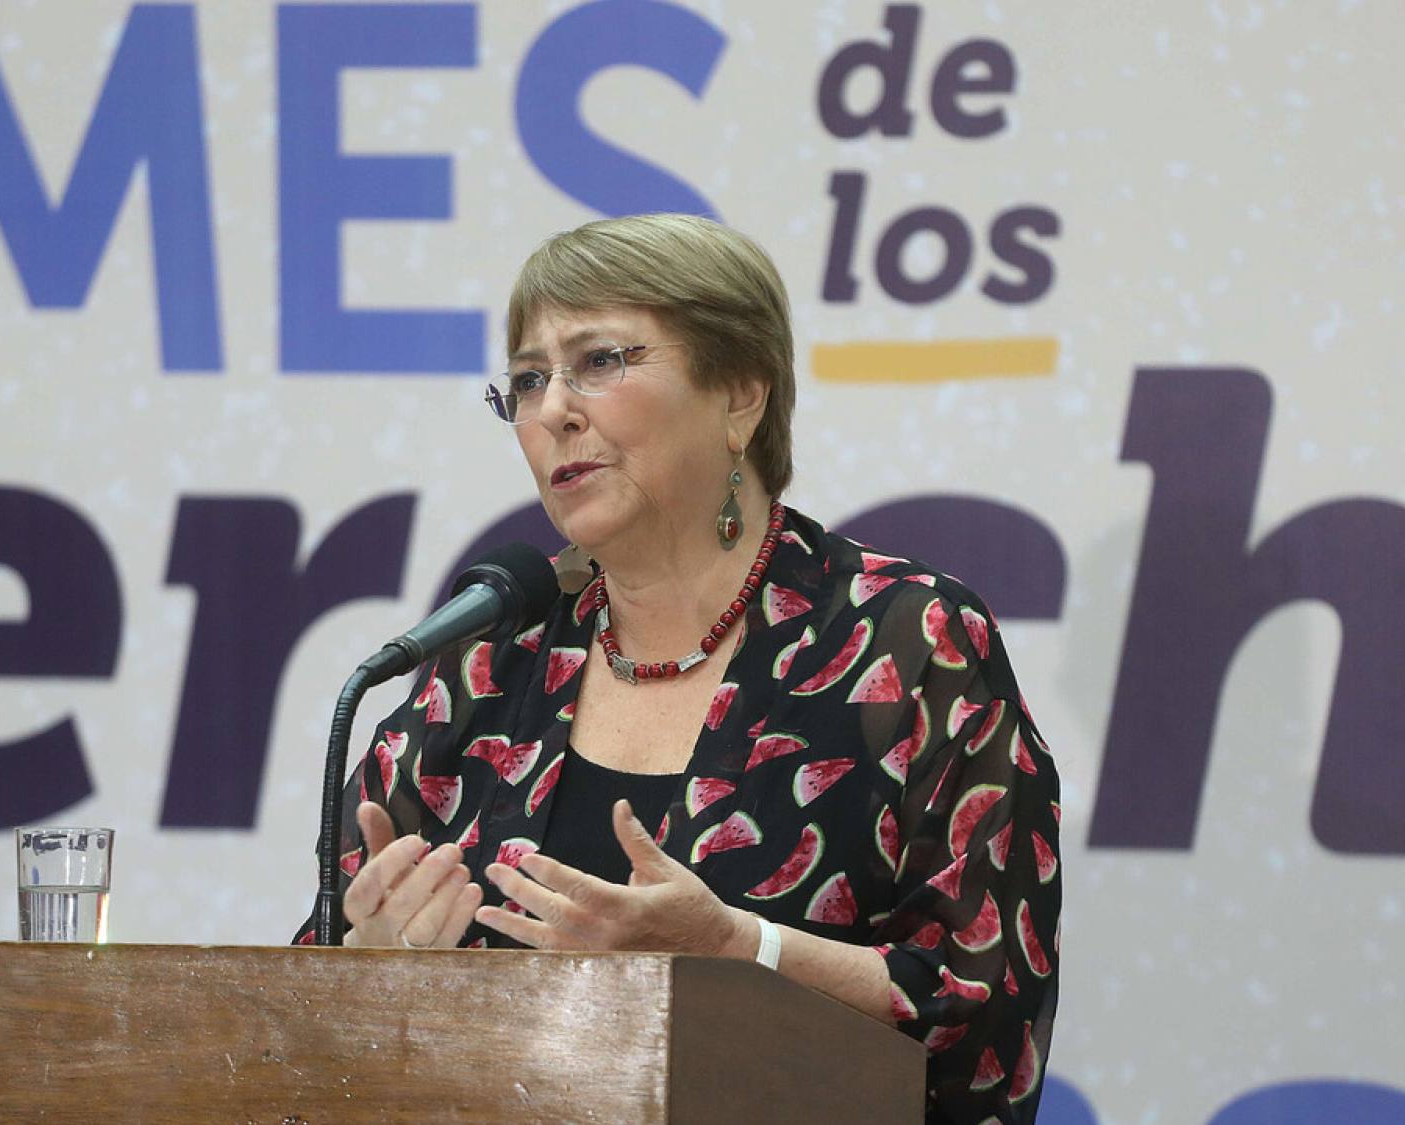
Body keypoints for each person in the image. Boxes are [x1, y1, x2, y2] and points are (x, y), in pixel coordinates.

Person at [296, 213, 1060, 1124]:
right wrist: (365, 973)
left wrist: (740, 950)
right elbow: (294, 1034)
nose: (551, 411)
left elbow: (987, 1022)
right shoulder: (483, 667)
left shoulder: (911, 644)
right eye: (530, 378)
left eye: (600, 362)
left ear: (740, 394)